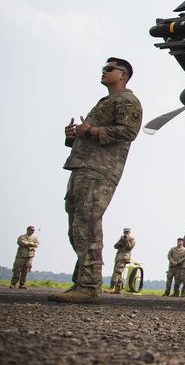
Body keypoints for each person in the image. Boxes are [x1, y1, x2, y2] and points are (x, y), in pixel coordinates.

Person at [50, 58, 142, 304]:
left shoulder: (127, 101)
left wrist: (90, 131)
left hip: (99, 170)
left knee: (87, 223)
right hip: (82, 165)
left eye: (109, 69)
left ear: (123, 75)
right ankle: (81, 282)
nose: (104, 71)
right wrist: (74, 135)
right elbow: (92, 134)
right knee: (76, 226)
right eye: (104, 68)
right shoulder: (107, 102)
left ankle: (89, 287)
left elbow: (128, 132)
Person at [108, 228, 135, 294]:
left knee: (117, 272)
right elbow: (115, 246)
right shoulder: (122, 239)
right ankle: (118, 288)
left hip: (124, 257)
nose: (126, 233)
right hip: (118, 257)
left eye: (127, 232)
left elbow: (130, 247)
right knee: (118, 273)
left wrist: (127, 240)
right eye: (125, 232)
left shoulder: (132, 239)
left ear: (129, 232)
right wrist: (121, 241)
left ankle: (111, 287)